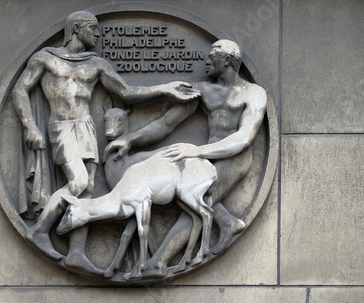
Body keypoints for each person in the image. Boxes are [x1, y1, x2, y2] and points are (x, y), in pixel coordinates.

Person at [12, 11, 198, 274]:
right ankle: (41, 230)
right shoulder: (45, 58)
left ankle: (76, 252)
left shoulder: (96, 64)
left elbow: (126, 92)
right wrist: (30, 125)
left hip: (86, 127)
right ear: (76, 28)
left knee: (87, 188)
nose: (98, 35)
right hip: (62, 126)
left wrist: (165, 88)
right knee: (76, 181)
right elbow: (20, 89)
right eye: (93, 29)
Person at [105, 39, 267, 276]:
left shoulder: (253, 93)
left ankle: (158, 262)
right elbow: (166, 124)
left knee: (191, 203)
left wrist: (197, 151)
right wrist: (132, 139)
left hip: (234, 158)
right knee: (174, 186)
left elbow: (244, 138)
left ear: (229, 61)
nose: (207, 60)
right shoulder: (201, 90)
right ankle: (228, 222)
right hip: (202, 160)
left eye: (214, 56)